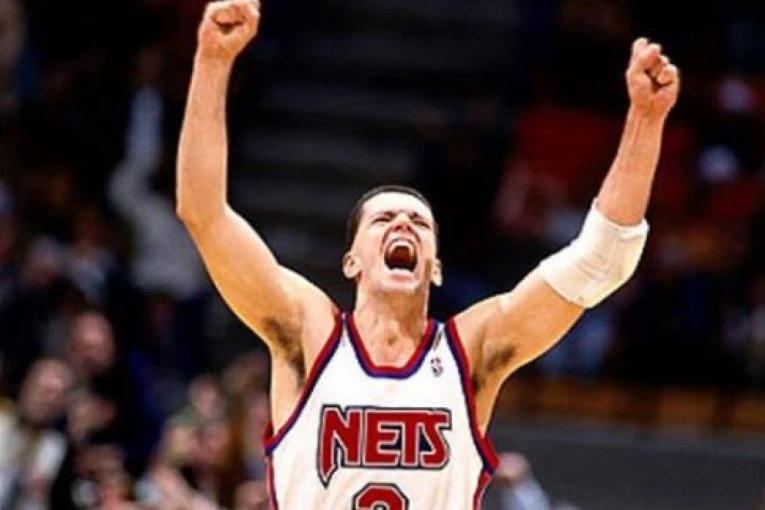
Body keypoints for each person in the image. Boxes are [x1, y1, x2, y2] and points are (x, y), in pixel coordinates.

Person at [175, 0, 680, 507]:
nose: (403, 224)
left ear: (435, 267)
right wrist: (213, 61)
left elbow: (601, 260)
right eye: (383, 220)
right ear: (351, 262)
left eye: (419, 223)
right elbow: (203, 212)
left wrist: (645, 120)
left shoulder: (472, 349)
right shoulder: (308, 330)